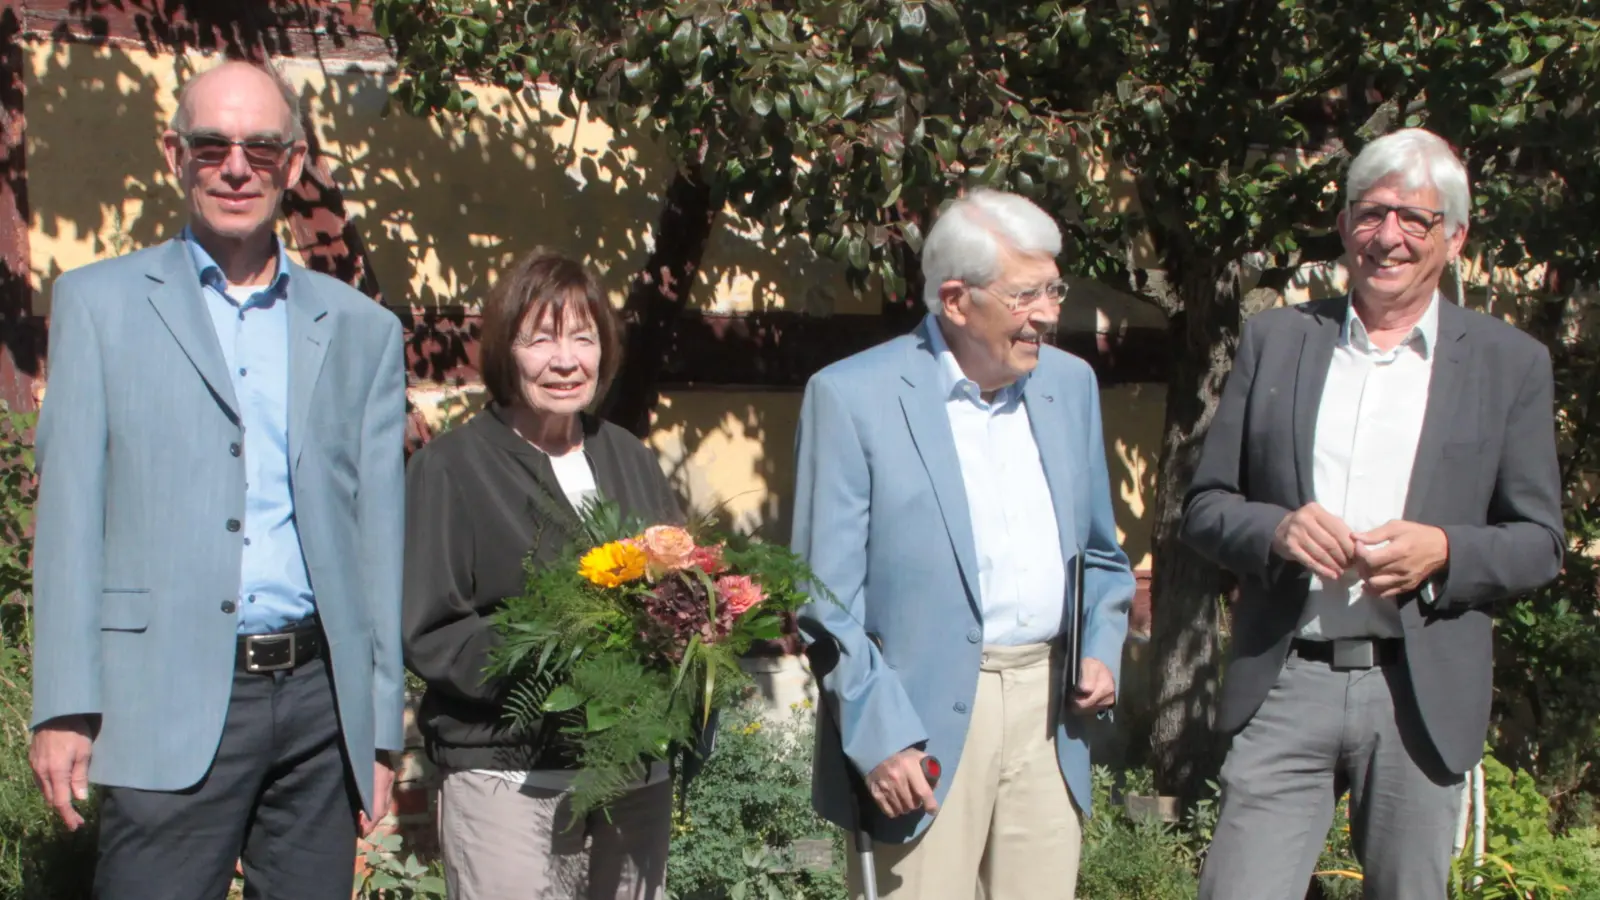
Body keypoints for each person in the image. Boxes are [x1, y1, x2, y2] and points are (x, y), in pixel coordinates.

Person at [28, 60, 407, 899]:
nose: (237, 168)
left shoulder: (362, 331)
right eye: (212, 146)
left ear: (295, 163)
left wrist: (380, 729)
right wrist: (62, 704)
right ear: (176, 155)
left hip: (317, 708)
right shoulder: (99, 305)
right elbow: (68, 522)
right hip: (163, 695)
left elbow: (378, 540)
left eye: (261, 149)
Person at [1181, 128, 1564, 900]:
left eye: (1414, 219)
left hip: (1417, 691)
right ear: (1345, 223)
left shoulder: (1508, 362)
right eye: (1371, 212)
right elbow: (1205, 506)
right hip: (1289, 677)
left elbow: (1540, 543)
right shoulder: (1278, 339)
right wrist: (1277, 530)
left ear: (1454, 237)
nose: (1387, 236)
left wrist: (1446, 551)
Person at [792, 188, 1134, 900]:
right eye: (1025, 295)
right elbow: (822, 597)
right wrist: (878, 732)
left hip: (1049, 715)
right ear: (955, 300)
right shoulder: (852, 396)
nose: (1048, 313)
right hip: (919, 727)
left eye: (1053, 288)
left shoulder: (1069, 386)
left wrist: (1101, 644)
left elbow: (1101, 555)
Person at [402, 248, 683, 900]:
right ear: (507, 352)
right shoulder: (451, 470)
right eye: (541, 341)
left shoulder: (631, 460)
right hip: (509, 781)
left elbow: (679, 592)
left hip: (630, 779)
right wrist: (564, 656)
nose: (565, 361)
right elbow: (434, 630)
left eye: (583, 339)